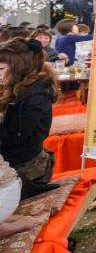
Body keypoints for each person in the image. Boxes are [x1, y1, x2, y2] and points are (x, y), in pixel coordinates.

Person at [0, 39, 59, 188]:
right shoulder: (14, 85)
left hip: (27, 167)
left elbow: (13, 139)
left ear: (20, 68)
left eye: (1, 68)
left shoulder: (36, 95)